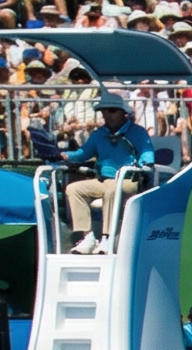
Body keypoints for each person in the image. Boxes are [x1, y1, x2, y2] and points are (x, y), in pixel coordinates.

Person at [61, 92, 154, 253]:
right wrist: (64, 156)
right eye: (104, 110)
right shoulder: (98, 134)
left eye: (112, 110)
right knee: (73, 189)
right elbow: (82, 154)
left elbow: (147, 153)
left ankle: (108, 239)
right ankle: (88, 237)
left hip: (129, 181)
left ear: (123, 113)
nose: (106, 114)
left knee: (112, 188)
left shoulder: (137, 132)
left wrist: (146, 163)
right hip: (103, 181)